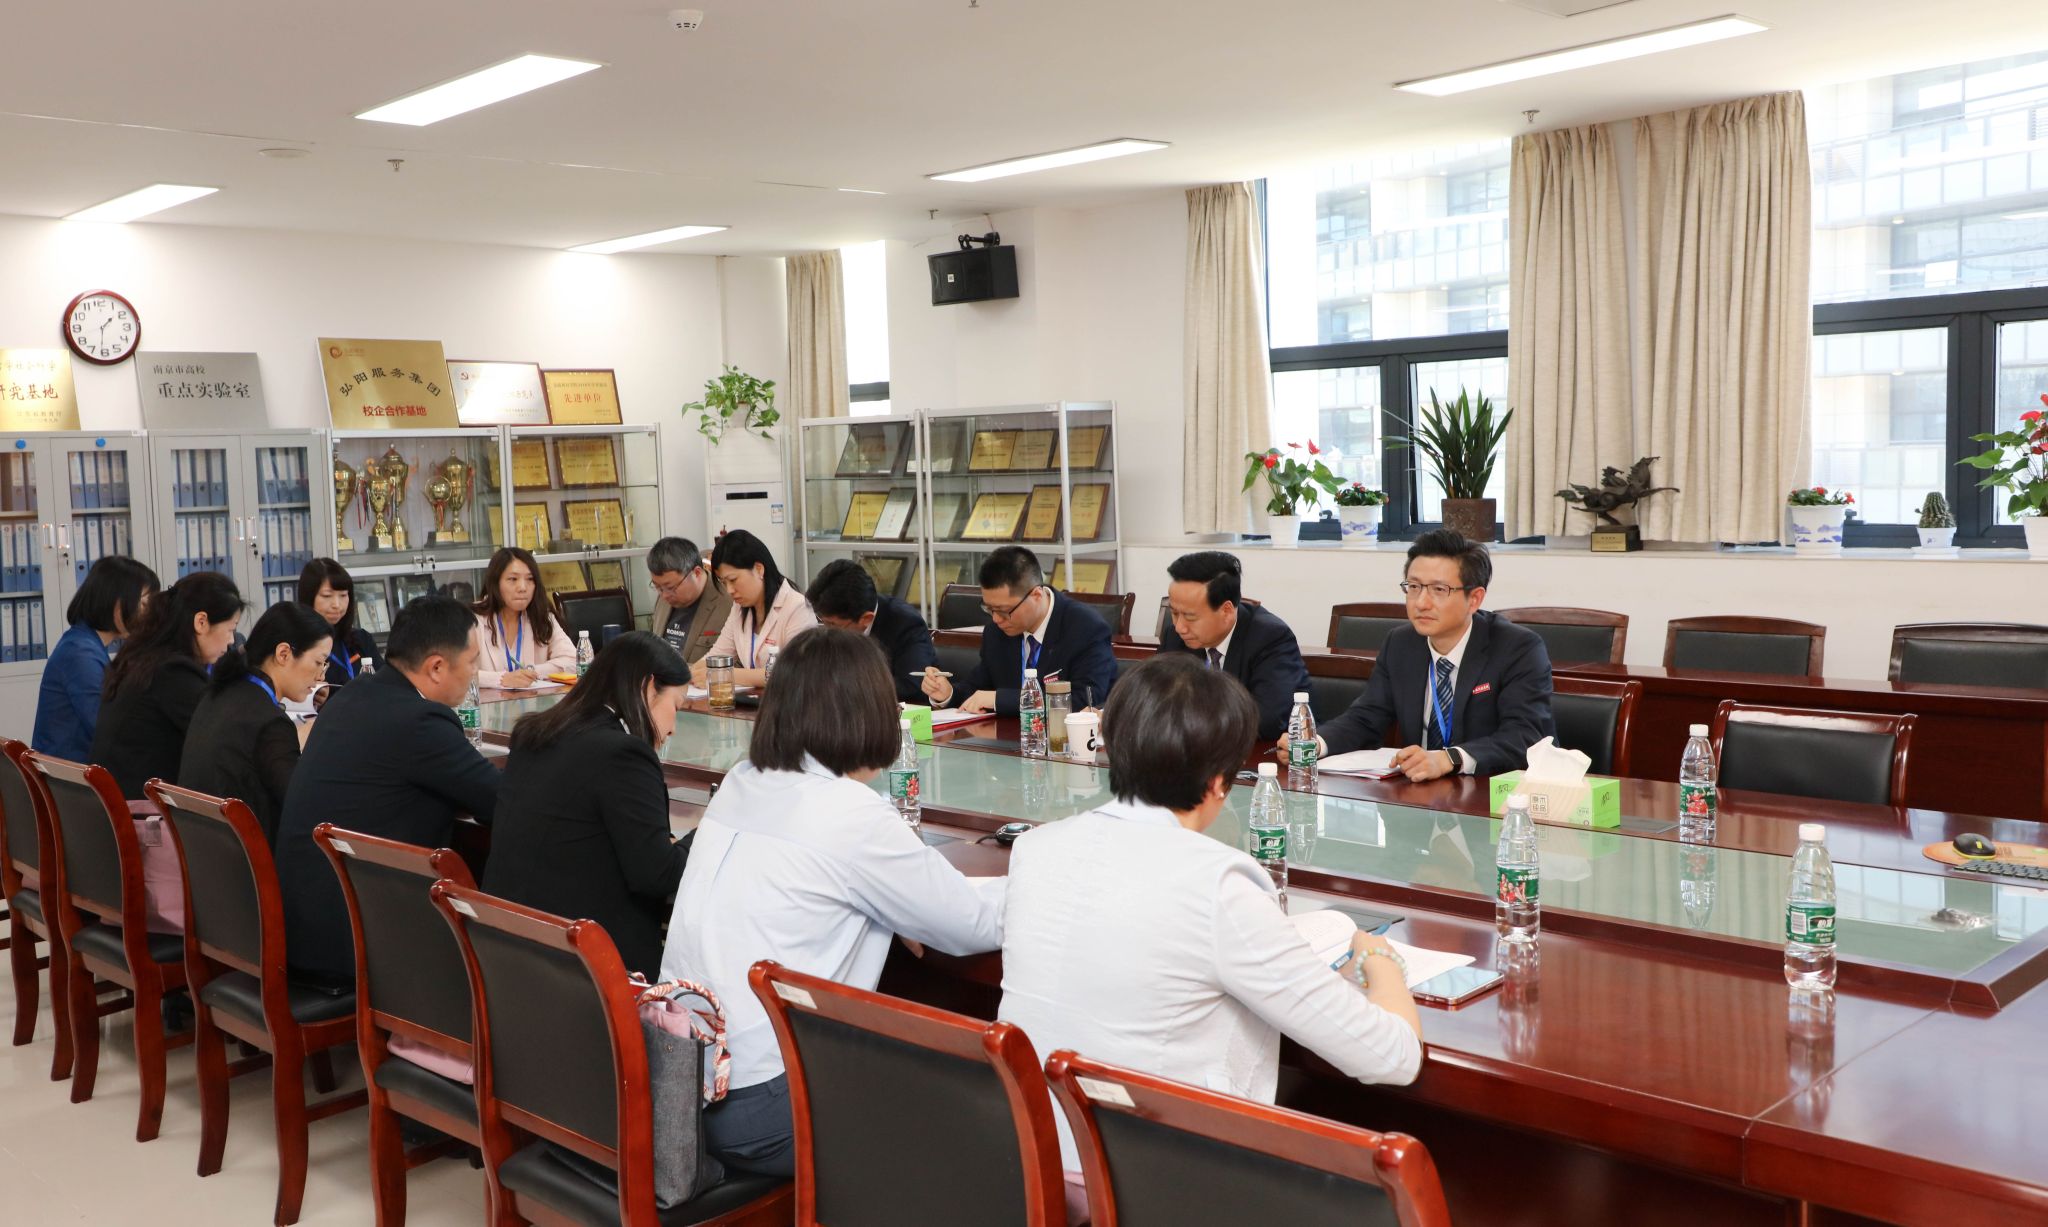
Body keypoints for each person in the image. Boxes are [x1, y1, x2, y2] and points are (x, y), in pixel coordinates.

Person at [998, 653, 1423, 1167]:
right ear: (1220, 782)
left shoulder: (1037, 848)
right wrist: (1381, 959)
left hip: (1029, 1161)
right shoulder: (1218, 884)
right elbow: (1392, 1057)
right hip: (1157, 1180)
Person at [660, 627, 1004, 1177]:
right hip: (768, 1105)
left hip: (683, 1085)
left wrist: (894, 902)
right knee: (985, 1094)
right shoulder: (850, 814)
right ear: (868, 713)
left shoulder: (744, 779)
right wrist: (1041, 880)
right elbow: (974, 924)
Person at [275, 595, 501, 984]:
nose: (475, 672)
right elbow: (499, 801)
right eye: (472, 661)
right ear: (436, 667)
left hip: (306, 926)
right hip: (357, 941)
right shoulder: (421, 721)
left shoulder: (353, 696)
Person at [484, 631, 691, 978]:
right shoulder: (624, 754)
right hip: (588, 964)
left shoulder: (536, 732)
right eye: (676, 707)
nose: (673, 729)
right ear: (647, 688)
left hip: (507, 948)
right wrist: (702, 836)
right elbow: (657, 875)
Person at [1306, 529, 1555, 780]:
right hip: (1420, 790)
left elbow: (1524, 736)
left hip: (1491, 792)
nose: (1421, 603)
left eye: (1439, 589)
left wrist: (1450, 759)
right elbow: (1366, 717)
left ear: (1474, 599)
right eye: (1414, 587)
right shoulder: (1401, 643)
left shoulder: (1518, 649)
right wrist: (1314, 744)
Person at [178, 603, 332, 844]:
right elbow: (303, 809)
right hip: (250, 857)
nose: (321, 676)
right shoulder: (270, 723)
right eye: (319, 662)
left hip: (204, 850)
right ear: (284, 654)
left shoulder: (219, 693)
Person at [87, 571, 244, 798]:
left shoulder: (145, 657)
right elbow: (226, 735)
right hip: (141, 809)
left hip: (116, 803)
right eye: (230, 629)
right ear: (201, 622)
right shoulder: (173, 672)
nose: (231, 641)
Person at [919, 546, 1117, 715]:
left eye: (1004, 611)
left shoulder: (1086, 629)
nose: (996, 619)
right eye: (989, 609)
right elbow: (978, 688)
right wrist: (947, 694)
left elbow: (1084, 701)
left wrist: (1000, 700)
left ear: (1036, 595)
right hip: (1007, 741)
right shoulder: (996, 632)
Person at [1158, 550, 1311, 742]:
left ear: (1226, 611)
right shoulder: (1174, 637)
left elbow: (1267, 719)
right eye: (1174, 613)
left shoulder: (1269, 638)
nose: (1179, 627)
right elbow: (1155, 702)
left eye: (1190, 616)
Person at [32, 555, 158, 762]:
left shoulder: (84, 643)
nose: (147, 614)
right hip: (71, 776)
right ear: (116, 602)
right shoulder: (80, 654)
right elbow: (106, 728)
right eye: (143, 604)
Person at [689, 530, 816, 690]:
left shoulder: (797, 607)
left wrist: (725, 674)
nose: (729, 590)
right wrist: (694, 672)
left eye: (733, 580)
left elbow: (794, 673)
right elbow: (717, 655)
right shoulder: (739, 608)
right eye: (723, 582)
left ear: (759, 569)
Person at [805, 558, 937, 703]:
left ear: (866, 618)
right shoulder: (837, 622)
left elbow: (912, 685)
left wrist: (845, 686)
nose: (827, 631)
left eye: (832, 624)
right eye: (822, 622)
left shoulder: (906, 624)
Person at [470, 547, 576, 689]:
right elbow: (455, 674)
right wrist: (502, 679)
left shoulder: (541, 616)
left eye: (530, 579)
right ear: (495, 583)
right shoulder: (471, 620)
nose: (522, 587)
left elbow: (574, 661)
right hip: (487, 702)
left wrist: (531, 672)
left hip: (535, 701)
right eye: (513, 579)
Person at [647, 536, 732, 666]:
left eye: (671, 587)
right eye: (658, 587)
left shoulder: (729, 602)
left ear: (696, 573)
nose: (664, 595)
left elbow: (739, 663)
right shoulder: (664, 595)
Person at [299, 558, 381, 690]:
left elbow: (386, 685)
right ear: (309, 597)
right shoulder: (296, 646)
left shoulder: (361, 640)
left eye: (343, 595)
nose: (337, 605)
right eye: (327, 596)